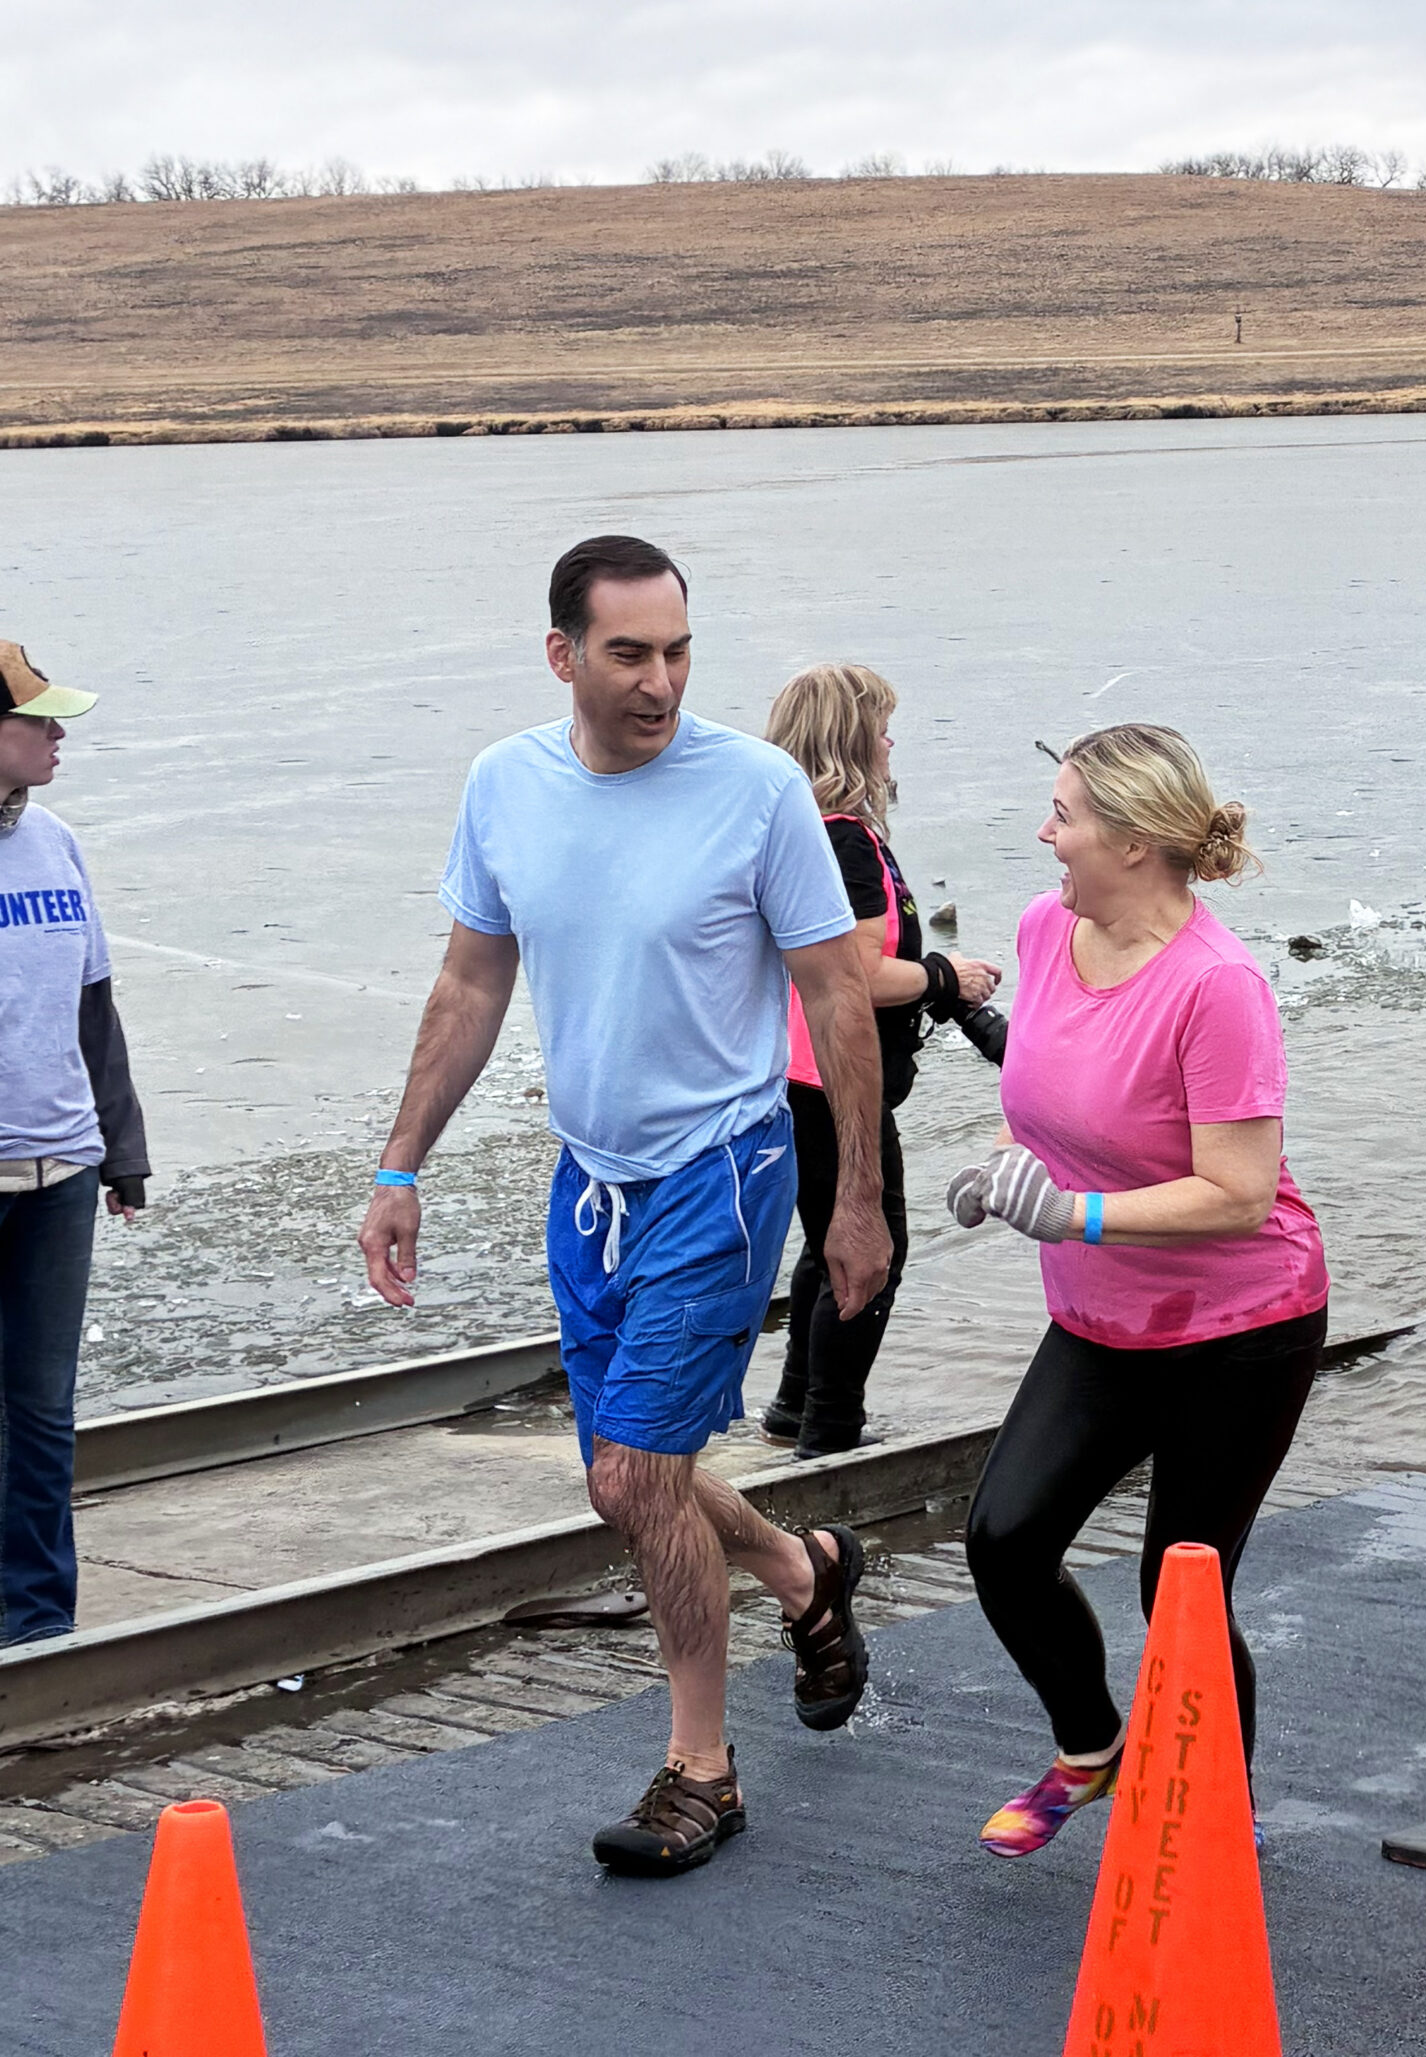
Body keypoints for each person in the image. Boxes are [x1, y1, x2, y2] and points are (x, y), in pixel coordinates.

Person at [357, 537, 891, 1877]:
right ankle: (799, 1568)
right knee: (617, 1483)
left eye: (678, 652)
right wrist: (401, 1164)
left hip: (723, 1167)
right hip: (587, 1180)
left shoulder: (757, 791)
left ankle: (701, 1768)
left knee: (643, 1476)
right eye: (629, 654)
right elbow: (472, 985)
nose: (660, 681)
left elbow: (837, 992)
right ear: (563, 656)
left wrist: (860, 1202)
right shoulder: (506, 786)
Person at [947, 723, 1328, 1859]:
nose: (1044, 833)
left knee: (1184, 1595)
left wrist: (1077, 1212)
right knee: (1004, 1539)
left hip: (1241, 1327)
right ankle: (1092, 1745)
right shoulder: (1044, 929)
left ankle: (1220, 1819)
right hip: (1102, 1317)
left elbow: (1241, 1193)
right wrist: (1002, 1177)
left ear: (1134, 839)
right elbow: (1072, 1091)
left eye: (1063, 814)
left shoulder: (1220, 987)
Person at [757, 663, 1003, 1458]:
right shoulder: (847, 842)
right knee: (871, 1255)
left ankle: (794, 1409)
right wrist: (945, 976)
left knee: (824, 1243)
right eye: (883, 728)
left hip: (789, 1079)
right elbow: (856, 973)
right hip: (832, 1082)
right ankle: (830, 1433)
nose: (894, 742)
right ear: (853, 742)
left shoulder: (796, 832)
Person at [0, 642, 147, 1646]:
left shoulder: (56, 843)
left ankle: (40, 1622)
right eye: (41, 720)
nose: (59, 736)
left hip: (62, 1168)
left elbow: (94, 1007)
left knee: (42, 1413)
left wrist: (122, 1147)